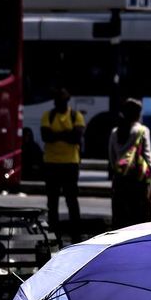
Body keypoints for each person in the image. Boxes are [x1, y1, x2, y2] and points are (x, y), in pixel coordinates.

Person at [107, 98, 151, 229]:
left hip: (120, 181)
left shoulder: (115, 132)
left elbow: (112, 158)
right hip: (139, 181)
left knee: (121, 219)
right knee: (141, 220)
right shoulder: (142, 130)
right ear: (137, 114)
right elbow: (148, 155)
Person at [40, 88, 85, 230]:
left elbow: (76, 138)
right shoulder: (48, 115)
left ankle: (75, 232)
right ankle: (54, 233)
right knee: (52, 202)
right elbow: (46, 137)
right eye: (56, 101)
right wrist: (67, 134)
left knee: (71, 200)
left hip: (70, 164)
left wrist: (57, 135)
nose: (58, 103)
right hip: (52, 164)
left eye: (60, 101)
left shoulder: (75, 116)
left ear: (66, 101)